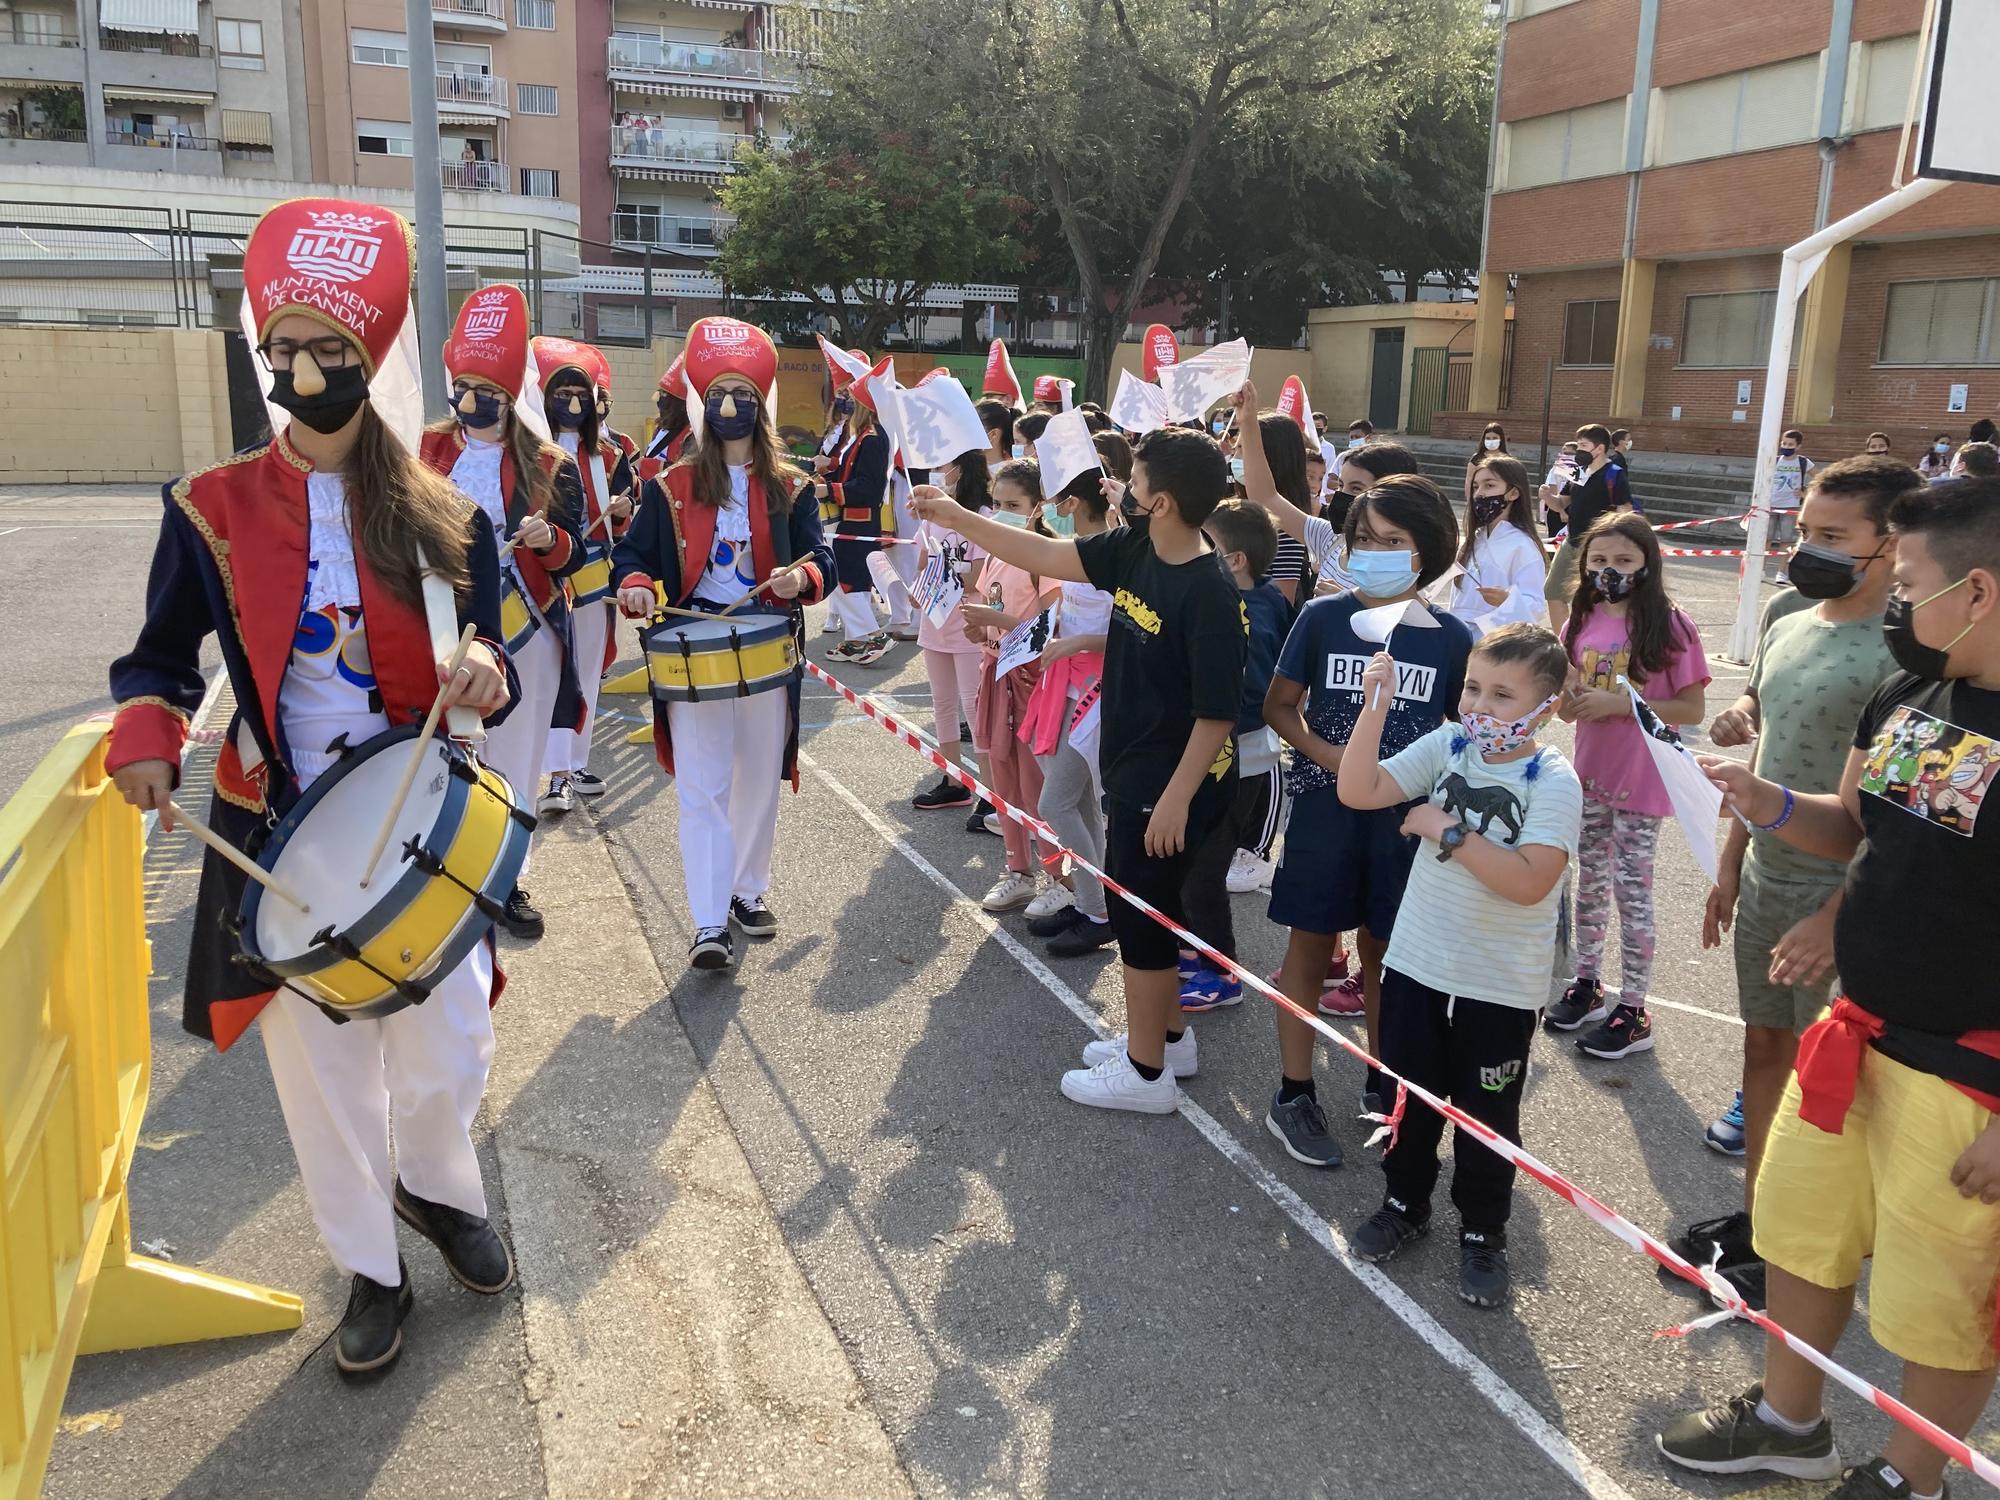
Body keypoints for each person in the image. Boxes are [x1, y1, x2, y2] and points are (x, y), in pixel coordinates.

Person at [108, 197, 521, 1379]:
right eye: (283, 349)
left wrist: (485, 665)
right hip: (278, 825)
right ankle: (369, 1268)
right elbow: (156, 657)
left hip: (422, 821)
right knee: (327, 1069)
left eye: (329, 353)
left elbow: (490, 640)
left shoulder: (447, 510)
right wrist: (148, 730)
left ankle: (437, 1193)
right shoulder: (211, 507)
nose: (303, 371)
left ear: (370, 358)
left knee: (447, 1047)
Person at [1658, 477, 2000, 1500]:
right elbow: (1851, 827)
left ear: (1976, 590)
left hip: (1965, 1074)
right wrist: (1765, 803)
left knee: (1938, 1298)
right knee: (1801, 1235)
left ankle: (1908, 1477)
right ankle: (1783, 1422)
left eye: (1908, 583)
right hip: (1854, 1034)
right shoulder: (1910, 696)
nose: (1894, 603)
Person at [911, 429, 1247, 1114]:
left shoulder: (1208, 591)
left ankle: (1145, 1073)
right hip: (1139, 772)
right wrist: (957, 516)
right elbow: (1045, 552)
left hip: (1174, 785)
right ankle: (1168, 1041)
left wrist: (1178, 798)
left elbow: (1217, 714)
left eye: (1137, 479)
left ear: (1161, 501)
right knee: (1155, 915)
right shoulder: (1137, 548)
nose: (1124, 486)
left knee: (1144, 923)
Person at [1678, 456, 1918, 1310]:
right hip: (1768, 872)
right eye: (1802, 528)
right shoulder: (1786, 615)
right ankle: (1759, 1223)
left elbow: (1887, 814)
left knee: (1836, 1089)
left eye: (1830, 535)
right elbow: (1766, 750)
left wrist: (1832, 911)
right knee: (1763, 1052)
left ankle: (1808, 1255)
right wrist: (1730, 865)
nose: (1803, 548)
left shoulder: (1902, 654)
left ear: (1889, 545)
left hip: (1841, 900)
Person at [1335, 624, 1581, 1307]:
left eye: (1503, 695)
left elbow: (1530, 879)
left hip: (1498, 986)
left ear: (1546, 708)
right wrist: (1374, 705)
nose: (1480, 706)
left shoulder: (1553, 780)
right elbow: (1360, 788)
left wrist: (1442, 826)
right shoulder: (1449, 745)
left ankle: (1484, 1233)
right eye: (1473, 686)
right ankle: (1405, 1203)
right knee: (1408, 1100)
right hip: (1417, 966)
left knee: (1487, 1115)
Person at [1262, 475, 1472, 1167]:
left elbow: (1466, 732)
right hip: (1325, 813)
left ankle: (1386, 1081)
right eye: (1363, 539)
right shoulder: (1322, 620)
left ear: (1427, 553)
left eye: (1392, 541)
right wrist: (1335, 759)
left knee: (1387, 954)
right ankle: (1294, 1092)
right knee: (1311, 946)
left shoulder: (1449, 638)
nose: (1372, 551)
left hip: (1403, 827)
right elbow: (1280, 706)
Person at [613, 316, 835, 971]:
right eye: (718, 396)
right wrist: (634, 584)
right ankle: (709, 922)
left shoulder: (790, 486)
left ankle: (746, 890)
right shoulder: (670, 486)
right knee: (701, 788)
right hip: (691, 646)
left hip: (768, 644)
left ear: (759, 405)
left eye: (742, 395)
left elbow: (825, 557)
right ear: (702, 405)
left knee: (758, 780)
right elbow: (632, 553)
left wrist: (804, 576)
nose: (730, 407)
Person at [420, 302, 587, 943]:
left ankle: (507, 879)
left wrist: (547, 538)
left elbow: (572, 552)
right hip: (443, 623)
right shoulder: (427, 448)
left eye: (486, 392)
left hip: (528, 627)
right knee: (452, 750)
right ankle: (446, 871)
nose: (471, 401)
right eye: (463, 389)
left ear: (509, 395)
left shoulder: (549, 463)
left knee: (516, 763)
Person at [1545, 512, 1710, 1059]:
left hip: (1642, 779)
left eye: (1623, 561)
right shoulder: (1579, 621)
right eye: (1599, 561)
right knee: (1588, 881)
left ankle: (1635, 1006)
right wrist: (1566, 698)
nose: (1609, 571)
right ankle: (1588, 983)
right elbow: (1570, 711)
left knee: (1631, 889)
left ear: (1647, 564)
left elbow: (1690, 706)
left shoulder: (1671, 625)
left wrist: (1625, 704)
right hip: (1591, 776)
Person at [531, 336, 635, 815]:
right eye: (562, 395)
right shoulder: (528, 448)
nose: (573, 405)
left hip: (593, 575)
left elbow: (623, 521)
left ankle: (567, 767)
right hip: (538, 574)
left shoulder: (611, 455)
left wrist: (621, 510)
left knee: (587, 673)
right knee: (544, 672)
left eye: (581, 396)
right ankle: (542, 767)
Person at [1023, 466, 1121, 958]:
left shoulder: (1115, 555)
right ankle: (1095, 903)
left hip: (1100, 693)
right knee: (1079, 803)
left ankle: (1098, 911)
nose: (1050, 510)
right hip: (1063, 684)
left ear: (1073, 504)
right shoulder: (1073, 552)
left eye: (1056, 500)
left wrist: (1079, 642)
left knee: (1054, 803)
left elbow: (1132, 633)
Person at [964, 458, 1057, 914]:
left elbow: (1050, 632)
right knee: (1003, 780)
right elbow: (986, 609)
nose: (1001, 512)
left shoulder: (1048, 559)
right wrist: (979, 630)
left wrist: (997, 622)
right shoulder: (997, 554)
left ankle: (1060, 875)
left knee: (1037, 786)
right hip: (995, 676)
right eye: (996, 503)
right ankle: (1018, 871)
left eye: (1013, 504)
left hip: (1033, 684)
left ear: (1039, 506)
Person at [1206, 500, 1295, 905]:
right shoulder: (1257, 595)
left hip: (1237, 741)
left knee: (1215, 840)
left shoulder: (1252, 615)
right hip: (1225, 738)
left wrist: (1216, 720)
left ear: (1236, 560)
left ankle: (1253, 854)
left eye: (1205, 546)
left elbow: (1258, 684)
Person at [911, 448, 991, 816]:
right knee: (943, 703)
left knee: (976, 708)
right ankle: (953, 781)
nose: (940, 472)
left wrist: (941, 576)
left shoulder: (982, 517)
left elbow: (977, 577)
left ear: (961, 469)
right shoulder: (931, 520)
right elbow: (923, 565)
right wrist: (919, 590)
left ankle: (992, 793)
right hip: (935, 622)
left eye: (945, 465)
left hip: (969, 624)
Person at [815, 370, 894, 665]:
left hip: (858, 520)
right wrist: (829, 470)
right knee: (848, 581)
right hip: (849, 519)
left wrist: (828, 490)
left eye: (850, 399)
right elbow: (851, 472)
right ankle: (854, 641)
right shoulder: (861, 436)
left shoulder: (872, 438)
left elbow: (868, 487)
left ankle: (874, 636)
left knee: (848, 581)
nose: (844, 404)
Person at [1541, 424, 1633, 635]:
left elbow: (1624, 511)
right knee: (1553, 592)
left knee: (1593, 600)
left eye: (1584, 445)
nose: (1579, 449)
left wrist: (1614, 543)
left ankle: (1592, 641)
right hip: (1571, 542)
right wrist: (1547, 497)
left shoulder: (1614, 474)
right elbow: (1560, 504)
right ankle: (1564, 642)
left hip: (1598, 548)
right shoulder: (1577, 471)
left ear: (1599, 449)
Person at [1451, 454, 1549, 640]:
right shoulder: (1475, 539)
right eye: (1475, 486)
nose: (1479, 493)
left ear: (1513, 493)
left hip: (1495, 639)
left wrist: (1506, 600)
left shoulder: (1522, 545)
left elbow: (1535, 605)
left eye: (1489, 485)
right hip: (1459, 634)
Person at [1769, 428, 1815, 582]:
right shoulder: (1774, 460)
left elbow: (1821, 476)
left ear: (1798, 446)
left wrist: (1806, 492)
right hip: (1770, 505)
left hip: (1790, 506)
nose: (1786, 446)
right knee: (1766, 539)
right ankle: (1759, 569)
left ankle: (1781, 572)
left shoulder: (1803, 462)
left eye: (1790, 444)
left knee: (1786, 540)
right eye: (1784, 443)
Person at [639, 352, 690, 482]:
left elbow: (682, 474)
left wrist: (643, 465)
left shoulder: (690, 436)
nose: (656, 398)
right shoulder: (662, 428)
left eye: (664, 394)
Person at [1464, 422, 1507, 500]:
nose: (1491, 441)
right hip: (1479, 497)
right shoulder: (1476, 458)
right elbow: (1469, 480)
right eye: (1488, 438)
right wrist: (1469, 499)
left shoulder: (1507, 459)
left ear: (1501, 439)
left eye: (1494, 438)